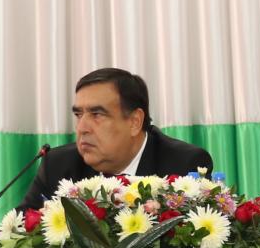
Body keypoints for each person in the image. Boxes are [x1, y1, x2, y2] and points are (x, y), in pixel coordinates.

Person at [18, 68, 213, 209]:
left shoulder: (183, 166)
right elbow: (21, 232)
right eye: (79, 115)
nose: (82, 128)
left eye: (97, 114)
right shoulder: (58, 165)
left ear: (135, 122)